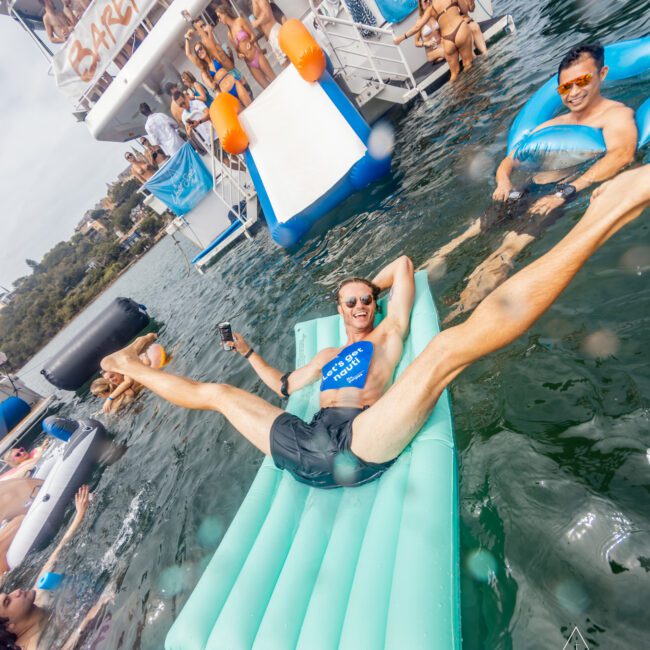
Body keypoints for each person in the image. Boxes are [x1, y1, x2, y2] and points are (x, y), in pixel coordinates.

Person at [100, 165, 650, 488]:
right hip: (305, 438)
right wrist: (247, 354)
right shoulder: (326, 357)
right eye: (351, 302)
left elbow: (404, 267)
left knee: (443, 352)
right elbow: (285, 388)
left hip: (358, 443)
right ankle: (129, 366)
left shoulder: (389, 332)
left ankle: (602, 217)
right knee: (217, 393)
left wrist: (377, 291)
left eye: (366, 299)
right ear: (339, 312)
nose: (361, 305)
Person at [424, 43, 638, 322]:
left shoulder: (616, 116)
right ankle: (421, 275)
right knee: (466, 235)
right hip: (524, 188)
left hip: (560, 192)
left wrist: (564, 192)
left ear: (603, 73)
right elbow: (508, 161)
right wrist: (502, 183)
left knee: (506, 250)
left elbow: (621, 155)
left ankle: (455, 316)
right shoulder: (551, 124)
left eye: (582, 81)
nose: (574, 92)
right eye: (565, 87)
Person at [0, 486, 107, 650]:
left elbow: (55, 557)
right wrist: (99, 607)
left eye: (8, 594)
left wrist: (79, 514)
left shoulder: (39, 597)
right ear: (9, 627)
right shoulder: (36, 646)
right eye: (8, 601)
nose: (16, 592)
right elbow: (73, 640)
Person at [394, 0, 474, 81]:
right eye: (425, 1)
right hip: (460, 29)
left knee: (454, 73)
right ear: (421, 5)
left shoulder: (431, 9)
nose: (428, 2)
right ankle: (472, 87)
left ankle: (457, 90)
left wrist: (401, 38)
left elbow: (416, 28)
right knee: (467, 64)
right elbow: (466, 10)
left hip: (447, 39)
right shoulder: (427, 13)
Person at [216, 4, 276, 90]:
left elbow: (252, 35)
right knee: (267, 88)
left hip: (257, 55)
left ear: (225, 13)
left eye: (219, 16)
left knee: (274, 79)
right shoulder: (229, 34)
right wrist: (239, 55)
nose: (219, 20)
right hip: (249, 63)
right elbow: (237, 51)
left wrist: (251, 42)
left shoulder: (240, 21)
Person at [184, 35, 252, 107]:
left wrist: (196, 30)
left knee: (251, 105)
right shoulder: (204, 68)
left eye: (200, 48)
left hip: (235, 83)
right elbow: (188, 54)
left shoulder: (215, 56)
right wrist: (187, 38)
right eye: (197, 52)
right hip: (226, 93)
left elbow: (208, 39)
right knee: (242, 114)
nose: (200, 51)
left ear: (205, 48)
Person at [251, 0, 288, 67]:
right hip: (271, 37)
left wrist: (256, 22)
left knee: (289, 59)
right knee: (284, 64)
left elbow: (267, 14)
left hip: (274, 32)